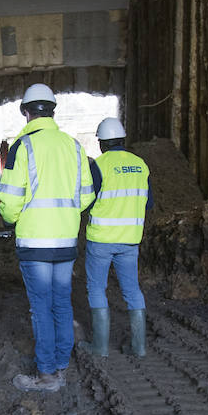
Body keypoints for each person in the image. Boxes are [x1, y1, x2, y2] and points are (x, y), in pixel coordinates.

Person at [0, 83, 94, 391]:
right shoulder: (74, 146)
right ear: (52, 111)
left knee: (40, 307)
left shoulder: (22, 147)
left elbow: (10, 201)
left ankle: (47, 373)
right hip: (65, 239)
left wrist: (14, 219)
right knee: (61, 302)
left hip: (34, 241)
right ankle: (62, 363)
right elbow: (86, 196)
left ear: (25, 112)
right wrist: (66, 216)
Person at [81, 117, 152, 357]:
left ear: (102, 143)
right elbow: (148, 202)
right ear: (123, 140)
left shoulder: (99, 165)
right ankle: (139, 347)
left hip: (101, 239)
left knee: (97, 289)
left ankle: (100, 347)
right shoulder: (140, 164)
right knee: (132, 291)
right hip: (130, 239)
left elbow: (86, 200)